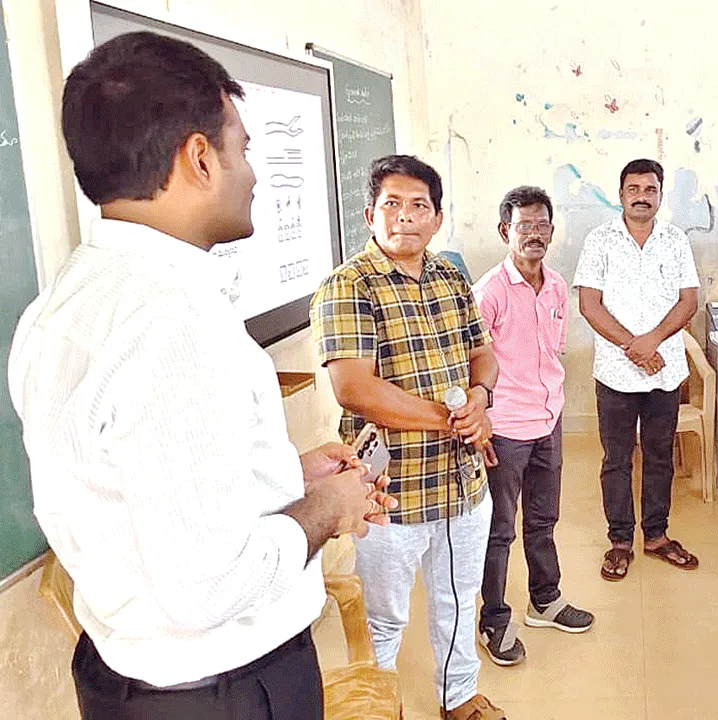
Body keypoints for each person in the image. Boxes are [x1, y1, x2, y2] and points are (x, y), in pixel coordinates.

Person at [8, 32, 393, 720]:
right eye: (243, 148)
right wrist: (328, 507)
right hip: (225, 693)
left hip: (127, 679)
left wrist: (288, 473)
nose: (254, 174)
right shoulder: (175, 326)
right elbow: (209, 584)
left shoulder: (64, 304)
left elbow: (137, 490)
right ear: (199, 158)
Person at [311, 155, 505, 720]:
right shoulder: (348, 286)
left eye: (419, 205)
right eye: (391, 204)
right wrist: (452, 419)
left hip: (462, 481)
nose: (405, 216)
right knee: (385, 616)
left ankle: (458, 697)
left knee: (458, 598)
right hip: (389, 492)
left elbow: (483, 353)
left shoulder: (450, 277)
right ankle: (383, 705)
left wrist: (480, 398)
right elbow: (354, 388)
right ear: (369, 215)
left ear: (437, 218)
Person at [472, 186, 594, 667]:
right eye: (525, 226)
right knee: (500, 530)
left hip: (548, 419)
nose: (535, 234)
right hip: (504, 427)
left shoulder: (558, 286)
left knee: (543, 520)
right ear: (506, 231)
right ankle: (494, 619)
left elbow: (552, 350)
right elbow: (472, 361)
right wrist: (481, 422)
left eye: (542, 225)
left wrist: (551, 409)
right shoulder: (489, 292)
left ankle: (545, 600)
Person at [574, 158, 701, 581]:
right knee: (616, 458)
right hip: (616, 371)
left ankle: (657, 535)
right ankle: (620, 541)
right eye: (634, 189)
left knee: (660, 455)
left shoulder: (675, 240)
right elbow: (589, 304)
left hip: (664, 370)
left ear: (660, 195)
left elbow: (688, 301)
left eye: (650, 189)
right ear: (621, 194)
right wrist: (635, 346)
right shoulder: (599, 240)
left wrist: (653, 341)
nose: (642, 197)